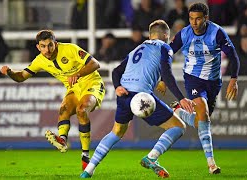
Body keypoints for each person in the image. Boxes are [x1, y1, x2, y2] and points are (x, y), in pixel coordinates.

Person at [80, 20, 195, 178]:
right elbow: (167, 73)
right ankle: (152, 157)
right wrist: (181, 98)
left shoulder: (137, 49)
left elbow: (116, 71)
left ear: (150, 35)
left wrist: (117, 87)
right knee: (179, 127)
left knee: (116, 132)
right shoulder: (165, 47)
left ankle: (88, 170)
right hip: (142, 97)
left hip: (124, 94)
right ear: (166, 36)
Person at [0, 30, 105, 170]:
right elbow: (21, 77)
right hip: (73, 88)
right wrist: (10, 73)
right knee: (63, 109)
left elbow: (95, 64)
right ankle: (62, 140)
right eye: (43, 46)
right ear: (38, 47)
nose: (47, 50)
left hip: (91, 83)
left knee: (81, 109)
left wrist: (78, 74)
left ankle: (85, 155)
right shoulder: (39, 60)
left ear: (55, 43)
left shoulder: (70, 49)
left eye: (50, 45)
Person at [169, 2, 240, 174]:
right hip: (193, 78)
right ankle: (211, 164)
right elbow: (168, 53)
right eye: (191, 19)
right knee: (203, 112)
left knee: (201, 120)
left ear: (206, 18)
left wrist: (234, 79)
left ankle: (179, 112)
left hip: (214, 81)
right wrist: (161, 77)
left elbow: (233, 56)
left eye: (198, 19)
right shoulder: (184, 34)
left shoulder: (217, 33)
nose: (194, 23)